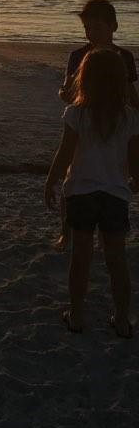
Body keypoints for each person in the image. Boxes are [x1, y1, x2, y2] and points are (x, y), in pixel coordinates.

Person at [45, 49, 139, 337]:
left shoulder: (76, 113)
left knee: (81, 258)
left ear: (84, 80)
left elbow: (65, 153)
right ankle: (122, 320)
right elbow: (135, 159)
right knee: (116, 259)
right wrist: (136, 180)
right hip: (114, 195)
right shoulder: (130, 117)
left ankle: (76, 316)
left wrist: (52, 180)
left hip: (81, 192)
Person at [54, 0, 139, 250]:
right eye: (88, 29)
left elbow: (131, 93)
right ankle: (66, 233)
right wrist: (63, 94)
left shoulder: (124, 57)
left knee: (114, 175)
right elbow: (69, 91)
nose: (92, 34)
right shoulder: (78, 55)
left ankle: (106, 234)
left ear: (113, 26)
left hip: (116, 123)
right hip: (85, 123)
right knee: (73, 176)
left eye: (98, 28)